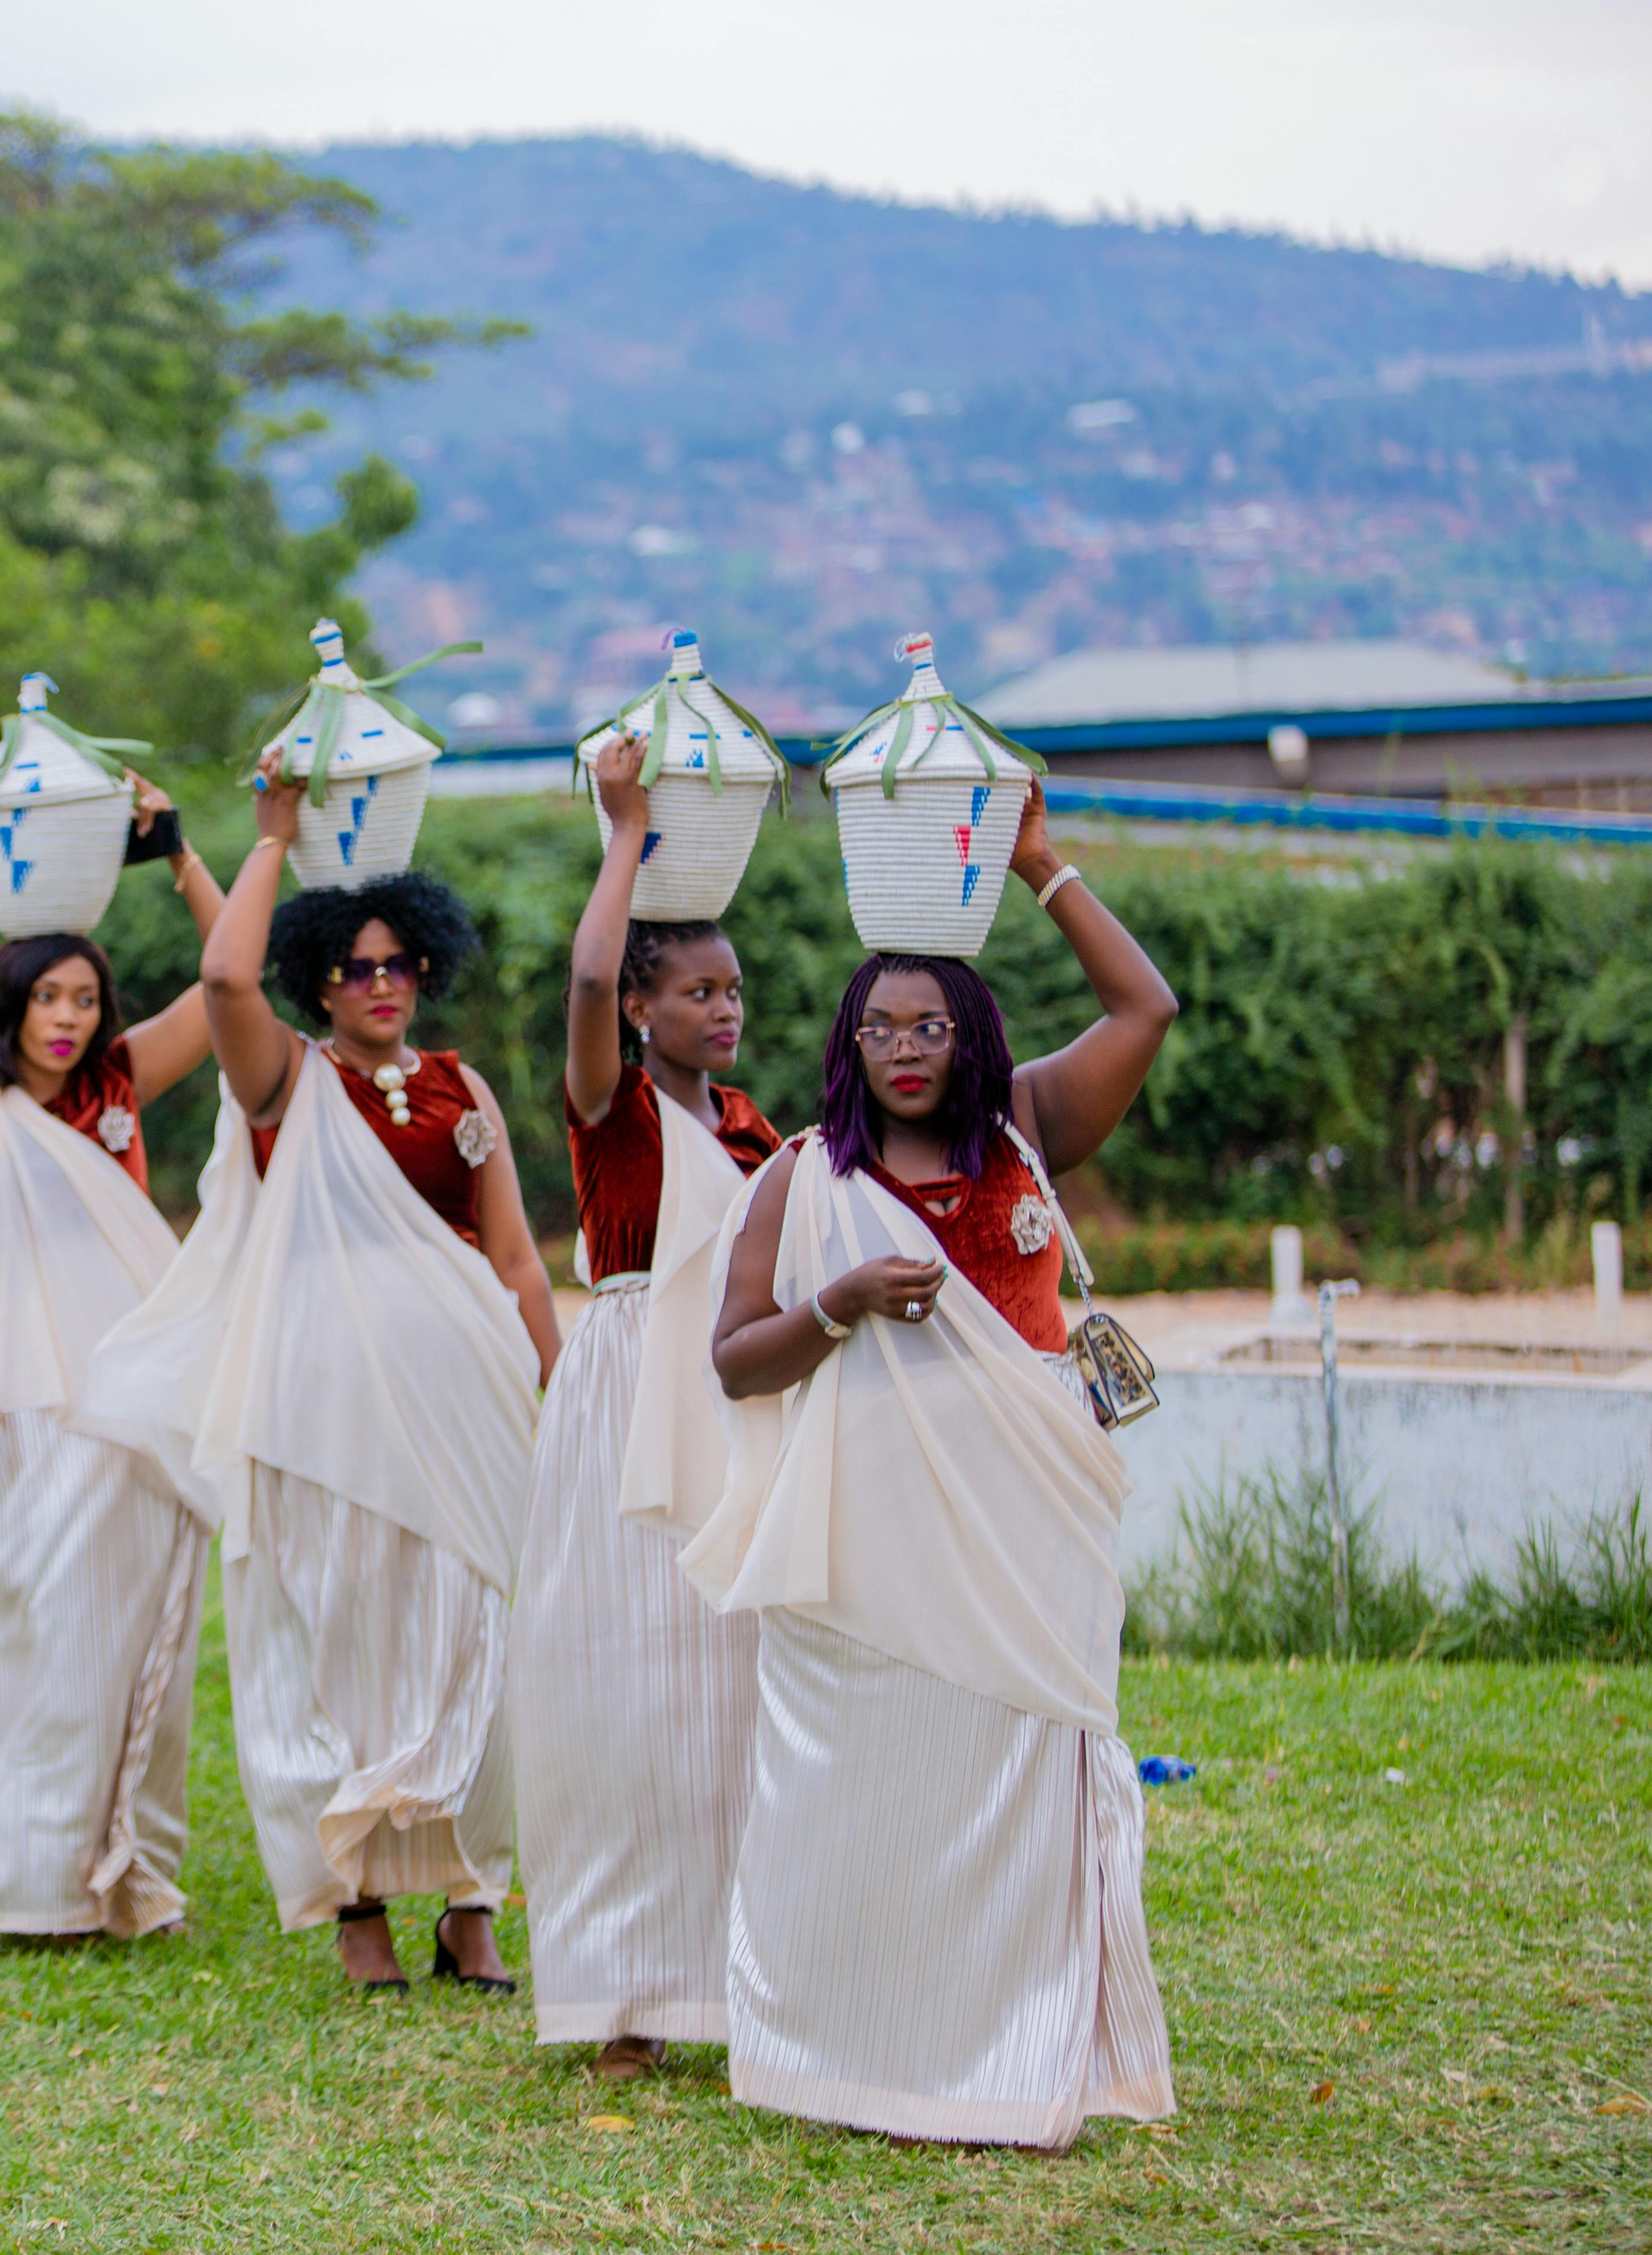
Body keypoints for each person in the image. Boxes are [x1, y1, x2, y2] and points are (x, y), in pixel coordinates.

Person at [699, 777, 1178, 2148]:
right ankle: (837, 2051)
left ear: (970, 1034)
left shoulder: (1026, 1127)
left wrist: (1039, 865)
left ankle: (1013, 2055)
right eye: (878, 1025)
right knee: (857, 1793)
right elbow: (733, 1359)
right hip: (866, 1545)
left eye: (929, 1022)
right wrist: (838, 1301)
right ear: (848, 1045)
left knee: (1019, 1777)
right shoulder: (801, 1176)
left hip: (1028, 1525)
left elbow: (1143, 1010)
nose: (904, 1045)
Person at [88, 756, 558, 1994]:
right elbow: (223, 975)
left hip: (469, 1405)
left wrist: (560, 1392)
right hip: (321, 1410)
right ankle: (356, 1901)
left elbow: (512, 1254)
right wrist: (266, 839)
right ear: (319, 983)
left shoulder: (462, 1086)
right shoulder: (287, 1086)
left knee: (475, 1639)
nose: (381, 985)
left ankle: (469, 1899)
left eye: (399, 963)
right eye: (354, 968)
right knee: (336, 1640)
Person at [0, 776, 227, 1937]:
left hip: (123, 1402)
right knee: (5, 1626)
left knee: (116, 1637)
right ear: (10, 1006)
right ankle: (6, 1874)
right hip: (12, 1403)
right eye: (49, 999)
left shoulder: (120, 1084)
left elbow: (236, 976)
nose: (69, 1019)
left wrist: (179, 855)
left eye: (86, 998)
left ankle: (105, 1867)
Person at [510, 732, 788, 2074]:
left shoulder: (748, 1127)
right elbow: (577, 968)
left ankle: (723, 1983)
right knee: (618, 1697)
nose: (720, 1009)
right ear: (636, 1007)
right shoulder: (606, 1106)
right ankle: (616, 1993)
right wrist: (625, 833)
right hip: (623, 1391)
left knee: (723, 1695)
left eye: (731, 989)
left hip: (723, 1395)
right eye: (692, 990)